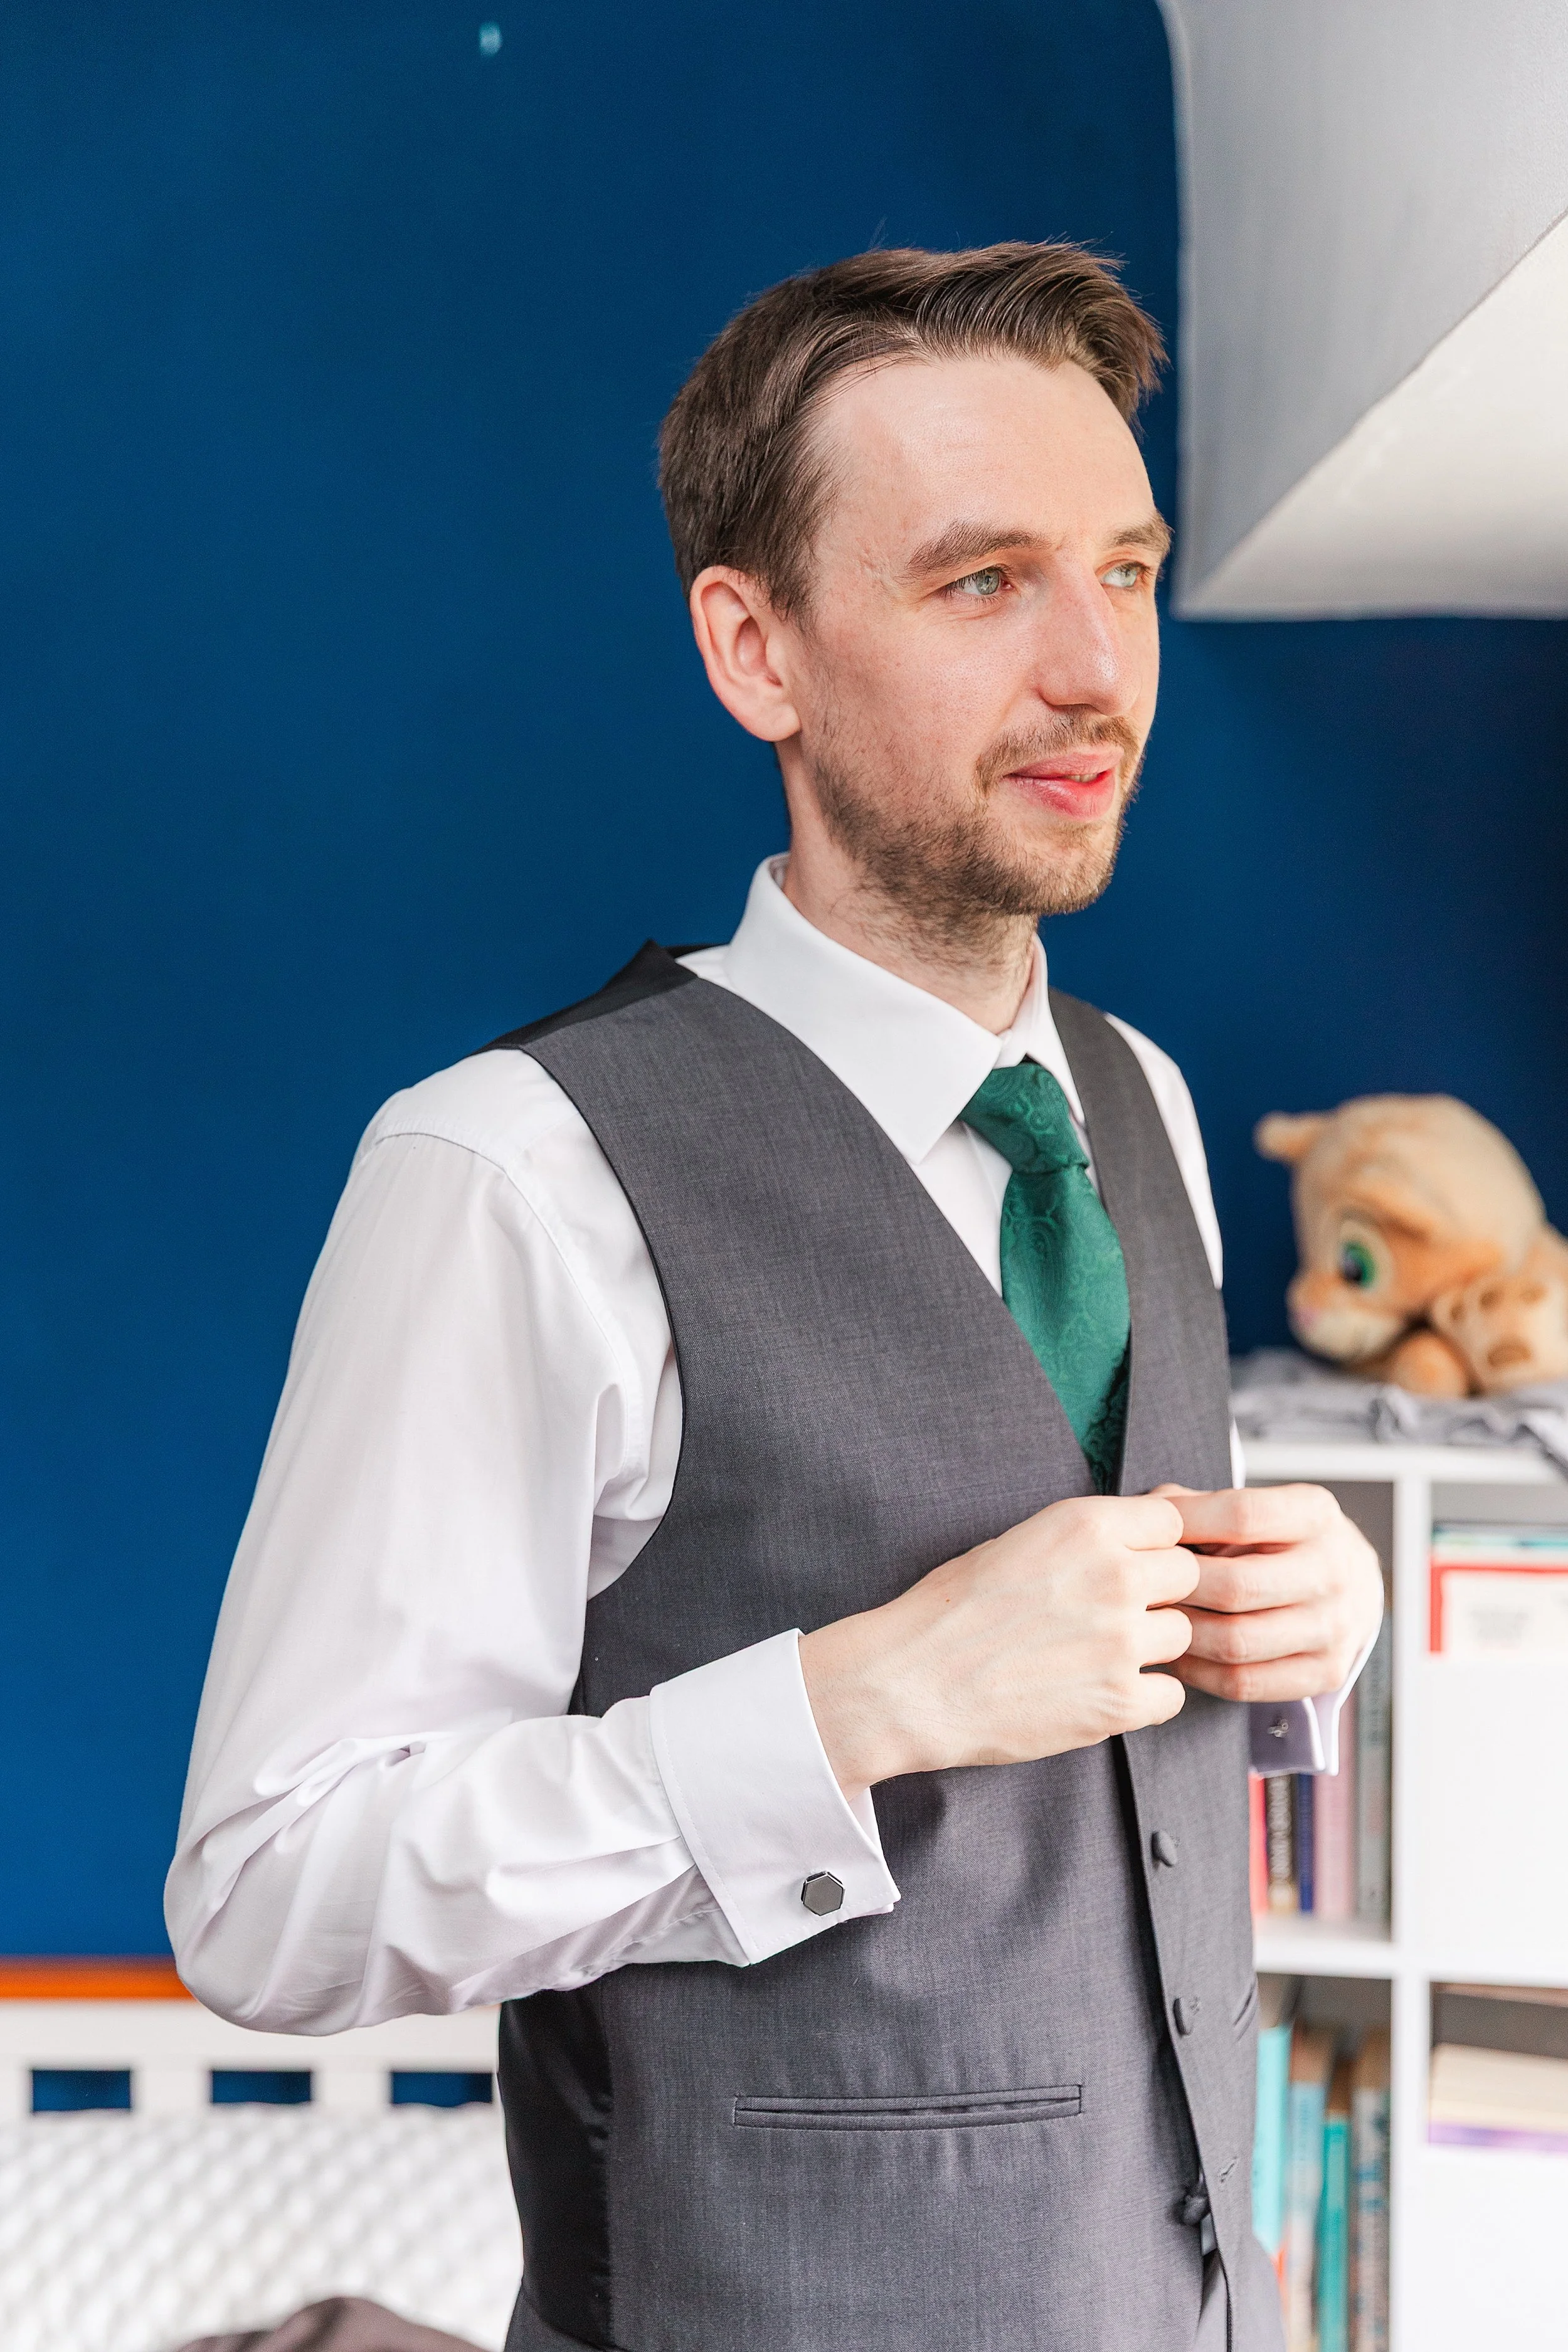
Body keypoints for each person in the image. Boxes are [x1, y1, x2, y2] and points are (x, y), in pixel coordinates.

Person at [168, 243, 1383, 2352]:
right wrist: (862, 1700)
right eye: (983, 579)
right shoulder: (512, 1169)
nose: (1098, 665)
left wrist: (1303, 1632)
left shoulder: (1144, 1106)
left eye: (1127, 563)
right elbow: (274, 1893)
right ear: (757, 648)